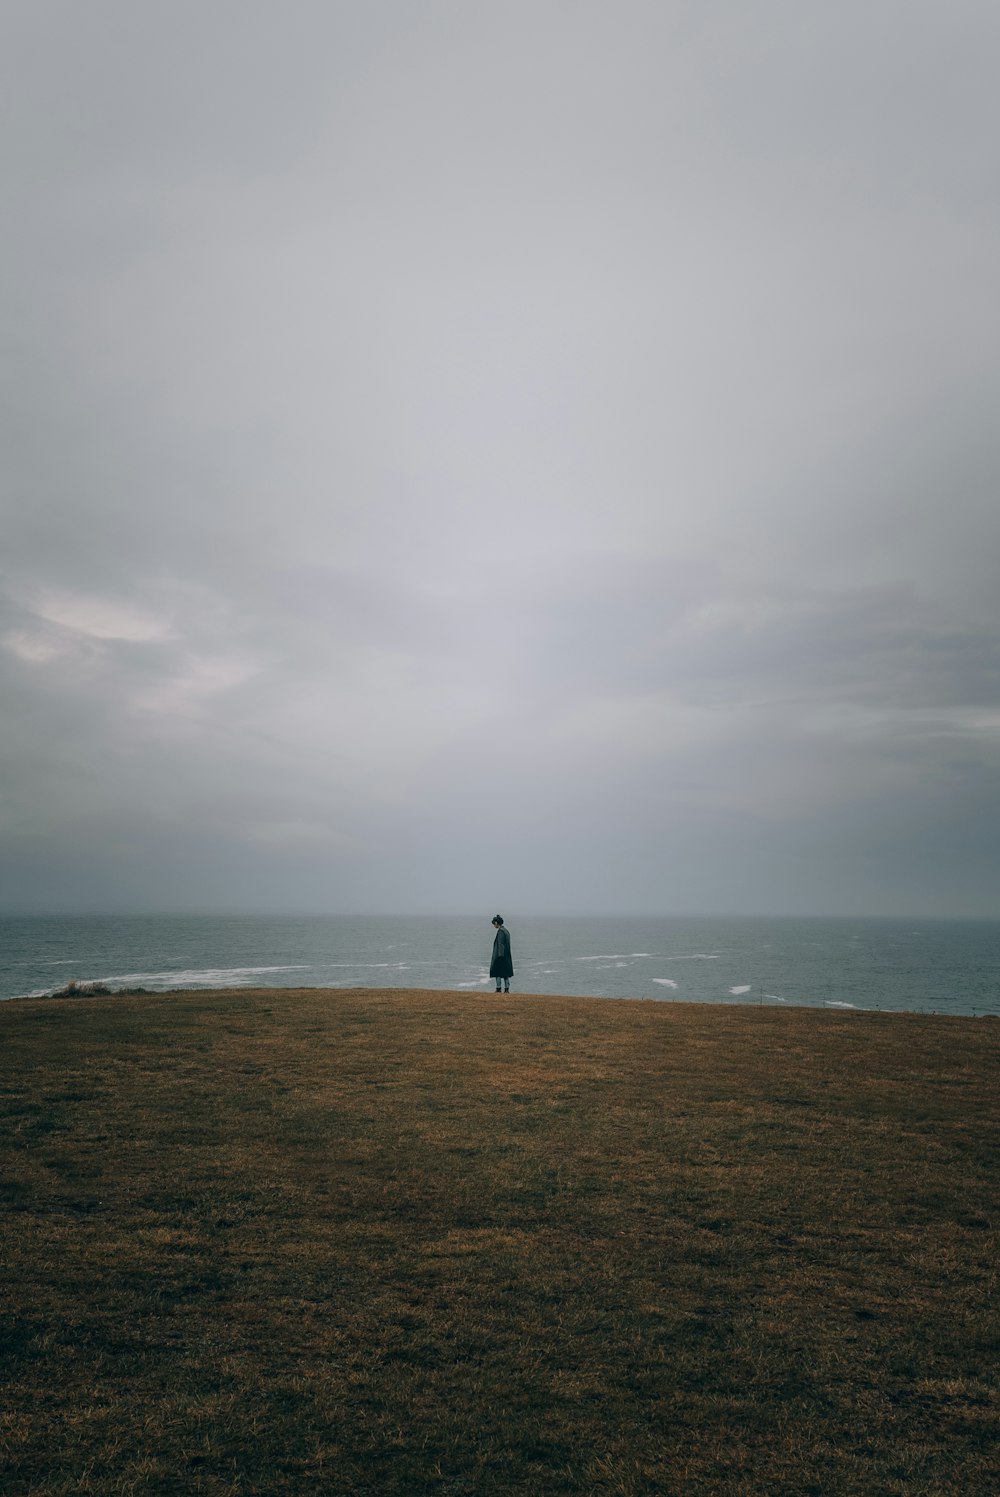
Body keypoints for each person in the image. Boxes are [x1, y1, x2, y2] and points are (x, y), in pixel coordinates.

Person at [490, 915, 513, 993]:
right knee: (505, 973)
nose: (494, 925)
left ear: (496, 923)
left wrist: (499, 956)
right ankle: (507, 988)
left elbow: (500, 944)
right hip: (506, 956)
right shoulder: (506, 931)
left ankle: (498, 988)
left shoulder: (500, 932)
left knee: (497, 972)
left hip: (500, 956)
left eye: (494, 924)